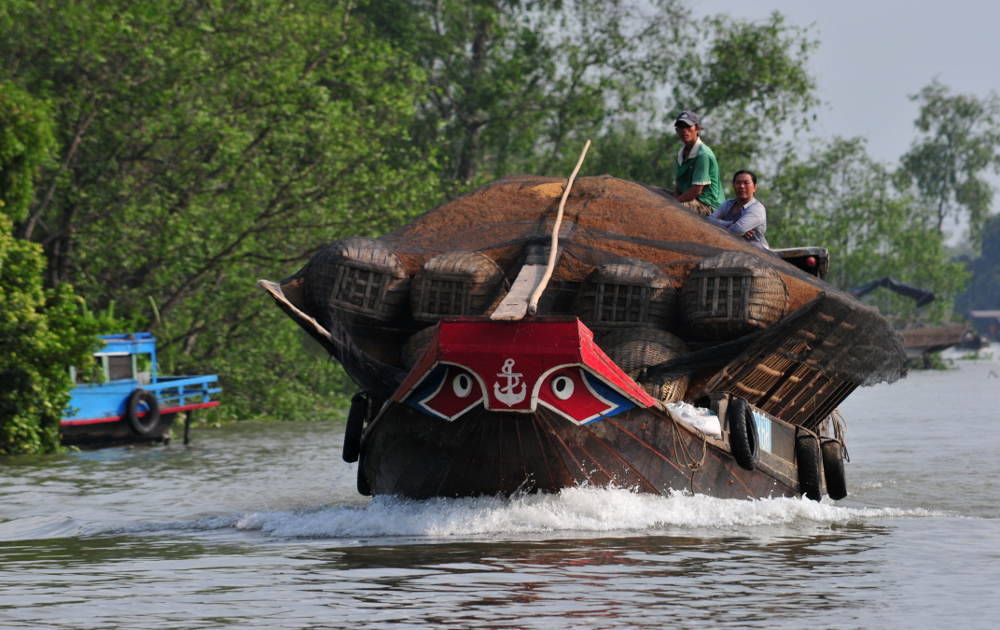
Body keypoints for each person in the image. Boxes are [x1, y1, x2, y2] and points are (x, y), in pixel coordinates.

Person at [671, 111, 724, 215]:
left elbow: (696, 190)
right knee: (653, 193)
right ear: (677, 130)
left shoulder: (702, 155)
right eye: (681, 127)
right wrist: (674, 200)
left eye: (688, 126)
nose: (684, 130)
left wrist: (674, 203)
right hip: (688, 198)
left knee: (672, 209)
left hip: (707, 205)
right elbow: (678, 184)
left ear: (697, 129)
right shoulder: (681, 153)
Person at [709, 169, 769, 249]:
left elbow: (738, 230)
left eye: (746, 183)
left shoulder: (757, 208)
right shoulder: (728, 204)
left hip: (754, 252)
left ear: (754, 188)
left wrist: (720, 225)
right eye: (738, 183)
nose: (741, 186)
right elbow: (709, 221)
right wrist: (731, 224)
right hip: (727, 247)